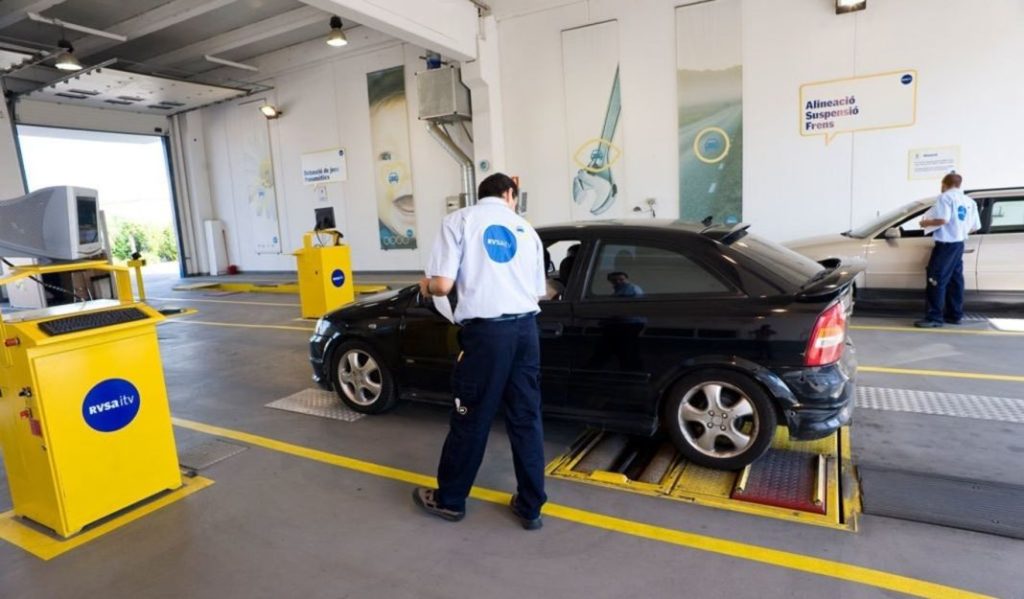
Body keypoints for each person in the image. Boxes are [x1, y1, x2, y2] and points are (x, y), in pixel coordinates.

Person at [413, 173, 548, 530]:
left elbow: (443, 285)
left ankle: (450, 500)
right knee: (526, 418)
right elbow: (539, 291)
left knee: (471, 417)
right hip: (526, 332)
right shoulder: (526, 230)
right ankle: (531, 507)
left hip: (488, 335)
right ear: (509, 194)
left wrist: (426, 286)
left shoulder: (459, 220)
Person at [914, 172, 981, 328]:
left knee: (936, 279)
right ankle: (954, 315)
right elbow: (975, 227)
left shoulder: (945, 198)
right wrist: (959, 230)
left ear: (944, 184)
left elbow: (943, 219)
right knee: (954, 281)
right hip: (958, 244)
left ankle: (934, 318)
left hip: (946, 245)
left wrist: (925, 223)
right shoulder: (969, 201)